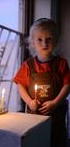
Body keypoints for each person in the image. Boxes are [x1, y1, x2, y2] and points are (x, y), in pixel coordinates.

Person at [13, 18, 70, 147]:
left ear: (55, 40)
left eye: (49, 39)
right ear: (32, 42)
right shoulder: (28, 65)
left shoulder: (61, 63)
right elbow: (20, 85)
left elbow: (67, 85)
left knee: (56, 141)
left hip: (57, 114)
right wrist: (29, 102)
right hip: (34, 114)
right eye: (39, 39)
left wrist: (55, 103)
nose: (44, 43)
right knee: (36, 140)